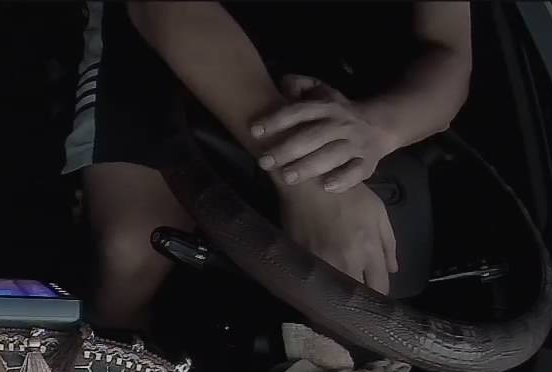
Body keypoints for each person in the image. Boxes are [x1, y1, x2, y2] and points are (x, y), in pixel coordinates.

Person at [64, 2, 472, 330]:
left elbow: (448, 49)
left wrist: (376, 130)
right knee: (130, 254)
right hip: (166, 35)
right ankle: (112, 346)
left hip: (332, 55)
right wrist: (308, 178)